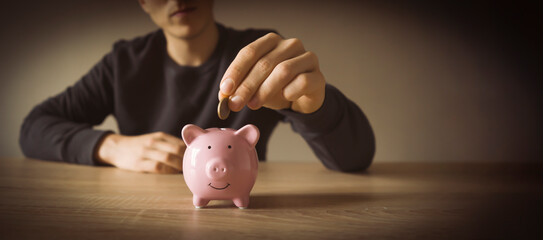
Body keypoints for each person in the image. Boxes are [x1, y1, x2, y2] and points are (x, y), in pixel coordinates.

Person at [19, 0, 375, 174]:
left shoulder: (260, 56)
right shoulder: (122, 63)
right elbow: (34, 127)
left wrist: (316, 106)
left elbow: (356, 159)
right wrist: (108, 146)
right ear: (143, 1)